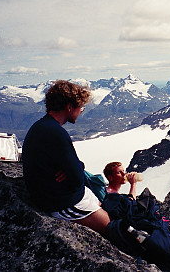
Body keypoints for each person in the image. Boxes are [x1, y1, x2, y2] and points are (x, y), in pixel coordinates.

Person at [21, 80, 111, 237]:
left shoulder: (41, 126)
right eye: (80, 106)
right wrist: (73, 169)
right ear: (69, 107)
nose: (82, 110)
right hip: (61, 202)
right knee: (112, 228)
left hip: (52, 195)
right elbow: (77, 178)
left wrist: (73, 168)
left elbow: (75, 167)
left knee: (108, 208)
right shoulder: (56, 133)